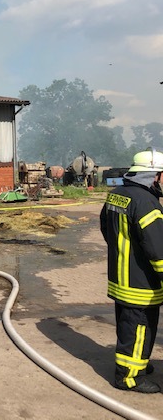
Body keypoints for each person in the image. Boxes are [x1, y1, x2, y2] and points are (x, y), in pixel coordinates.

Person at [100, 147, 163, 393]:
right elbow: (158, 251)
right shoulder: (147, 203)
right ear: (153, 175)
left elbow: (106, 229)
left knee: (128, 325)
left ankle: (139, 362)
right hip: (141, 283)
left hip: (120, 277)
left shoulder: (117, 194)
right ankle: (128, 377)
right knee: (139, 327)